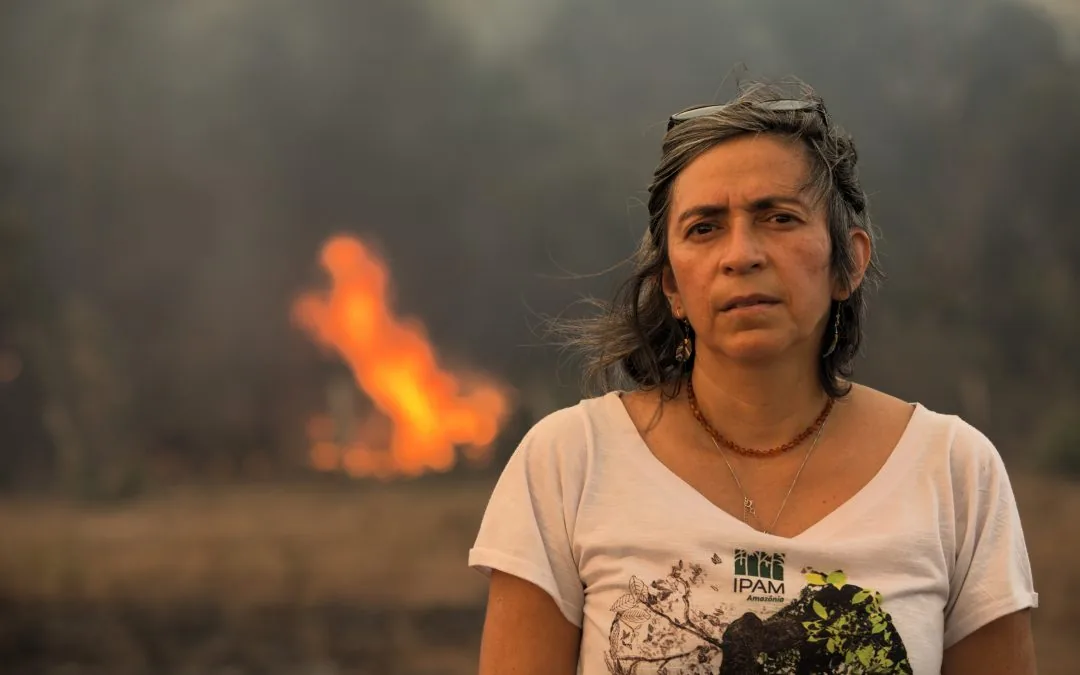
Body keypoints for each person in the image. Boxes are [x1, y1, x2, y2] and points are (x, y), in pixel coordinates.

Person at [468, 80, 1038, 674]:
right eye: (704, 228)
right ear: (672, 285)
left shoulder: (953, 473)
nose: (741, 254)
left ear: (848, 262)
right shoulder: (571, 464)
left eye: (779, 218)